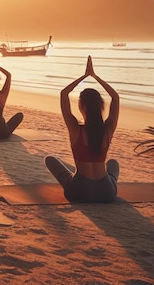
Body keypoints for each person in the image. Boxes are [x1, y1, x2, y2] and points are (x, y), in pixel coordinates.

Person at [45, 56, 120, 203]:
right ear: (100, 106)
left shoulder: (75, 129)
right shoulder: (107, 129)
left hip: (80, 191)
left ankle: (75, 177)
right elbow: (115, 97)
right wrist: (96, 76)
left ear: (81, 106)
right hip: (106, 193)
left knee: (50, 160)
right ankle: (109, 181)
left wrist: (85, 76)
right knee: (113, 164)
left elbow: (64, 93)